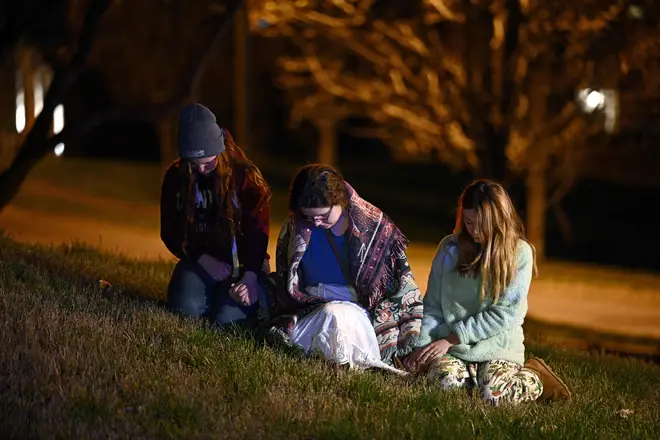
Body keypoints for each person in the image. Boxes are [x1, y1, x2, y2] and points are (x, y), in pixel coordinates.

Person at [405, 179, 571, 405]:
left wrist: (452, 339)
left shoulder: (519, 253)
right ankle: (473, 381)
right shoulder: (449, 249)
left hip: (496, 345)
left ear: (499, 220)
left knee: (495, 396)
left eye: (481, 224)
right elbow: (433, 305)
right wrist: (421, 348)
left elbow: (505, 314)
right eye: (469, 222)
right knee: (445, 384)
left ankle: (535, 376)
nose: (474, 231)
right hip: (453, 348)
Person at [268, 164, 424, 373]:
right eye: (308, 217)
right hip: (310, 308)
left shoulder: (373, 227)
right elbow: (287, 280)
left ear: (340, 201)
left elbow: (399, 287)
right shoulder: (294, 228)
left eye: (323, 216)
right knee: (323, 320)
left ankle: (343, 363)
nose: (315, 223)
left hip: (357, 312)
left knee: (337, 317)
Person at [160, 103, 271, 327]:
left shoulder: (245, 177)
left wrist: (250, 275)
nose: (201, 170)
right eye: (193, 164)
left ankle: (257, 294)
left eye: (208, 163)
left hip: (245, 264)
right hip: (200, 260)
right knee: (185, 309)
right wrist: (202, 258)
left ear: (219, 151)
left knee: (228, 321)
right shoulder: (175, 177)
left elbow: (257, 232)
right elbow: (170, 230)